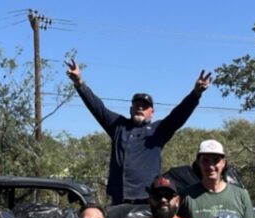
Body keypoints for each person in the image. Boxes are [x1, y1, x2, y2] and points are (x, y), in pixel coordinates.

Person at [65, 58, 211, 204]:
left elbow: (179, 114)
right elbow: (98, 108)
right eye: (137, 105)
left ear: (152, 112)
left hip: (146, 200)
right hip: (118, 199)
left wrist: (196, 93)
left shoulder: (158, 130)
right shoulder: (118, 126)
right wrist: (79, 83)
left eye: (145, 106)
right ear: (130, 109)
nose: (140, 108)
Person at [177, 139, 255, 218]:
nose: (211, 166)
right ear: (198, 163)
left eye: (216, 161)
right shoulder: (185, 196)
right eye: (205, 161)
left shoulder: (241, 195)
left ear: (223, 163)